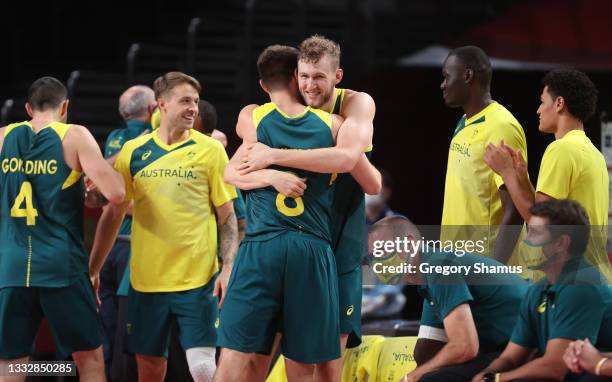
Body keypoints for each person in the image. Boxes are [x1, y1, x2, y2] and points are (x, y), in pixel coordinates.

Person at [237, 34, 381, 379]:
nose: (310, 85)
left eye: (318, 77)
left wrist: (273, 156)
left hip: (339, 237)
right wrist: (271, 176)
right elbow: (233, 170)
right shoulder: (267, 114)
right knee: (267, 342)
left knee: (332, 353)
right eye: (303, 76)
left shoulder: (354, 105)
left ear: (337, 77)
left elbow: (356, 167)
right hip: (292, 240)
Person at [89, 72, 239, 382]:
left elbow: (227, 216)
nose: (193, 109)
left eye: (195, 102)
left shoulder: (211, 151)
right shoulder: (134, 152)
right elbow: (112, 212)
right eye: (185, 101)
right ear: (161, 105)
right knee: (150, 368)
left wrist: (227, 268)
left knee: (201, 367)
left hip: (198, 279)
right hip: (146, 282)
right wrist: (94, 267)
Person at [0, 76, 125, 381]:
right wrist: (94, 267)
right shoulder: (74, 135)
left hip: (12, 266)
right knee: (90, 361)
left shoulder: (3, 136)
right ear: (66, 106)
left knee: (12, 363)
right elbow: (118, 196)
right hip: (61, 267)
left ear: (28, 108)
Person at [484, 68, 611, 281]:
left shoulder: (560, 150)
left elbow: (540, 224)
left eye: (543, 102)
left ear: (559, 103)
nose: (538, 110)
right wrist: (522, 179)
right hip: (595, 278)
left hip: (571, 283)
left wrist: (506, 173)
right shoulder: (593, 153)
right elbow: (550, 211)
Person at [368, 215, 527, 382]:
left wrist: (412, 377)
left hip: (525, 347)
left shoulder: (439, 267)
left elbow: (464, 347)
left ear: (409, 243)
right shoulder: (429, 278)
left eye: (381, 250)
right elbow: (425, 352)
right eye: (373, 256)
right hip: (506, 348)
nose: (378, 261)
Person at [473, 199, 612, 382]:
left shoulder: (581, 286)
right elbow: (511, 357)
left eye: (535, 234)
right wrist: (486, 375)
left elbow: (554, 368)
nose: (525, 241)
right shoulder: (539, 289)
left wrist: (496, 379)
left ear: (561, 243)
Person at [439, 45, 526, 265]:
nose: (443, 84)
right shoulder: (464, 122)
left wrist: (491, 272)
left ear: (467, 75)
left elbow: (515, 209)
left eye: (447, 76)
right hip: (456, 262)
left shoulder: (501, 126)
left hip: (483, 267)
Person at [98, 85, 156, 379]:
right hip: (134, 246)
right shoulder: (152, 142)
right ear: (153, 110)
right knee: (128, 331)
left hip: (106, 246)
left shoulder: (112, 139)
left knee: (105, 330)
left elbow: (104, 189)